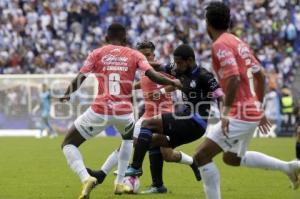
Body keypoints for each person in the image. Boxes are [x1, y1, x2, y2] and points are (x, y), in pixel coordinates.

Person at [59, 23, 181, 199]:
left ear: (106, 38)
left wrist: (67, 94)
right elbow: (153, 75)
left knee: (68, 143)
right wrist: (173, 82)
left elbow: (81, 77)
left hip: (100, 110)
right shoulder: (134, 54)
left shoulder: (97, 53)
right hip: (124, 112)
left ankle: (86, 179)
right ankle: (119, 182)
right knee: (128, 139)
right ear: (125, 40)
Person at [193, 2, 300, 199]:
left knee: (201, 156)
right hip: (248, 111)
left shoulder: (220, 44)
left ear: (207, 23)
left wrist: (225, 113)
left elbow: (233, 77)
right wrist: (257, 107)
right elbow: (260, 76)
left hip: (239, 113)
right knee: (232, 158)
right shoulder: (238, 42)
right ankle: (289, 167)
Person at [87, 41, 201, 194]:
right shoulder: (141, 68)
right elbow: (146, 81)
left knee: (167, 155)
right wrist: (133, 87)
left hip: (164, 113)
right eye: (142, 54)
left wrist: (160, 92)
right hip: (147, 115)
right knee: (128, 143)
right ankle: (103, 174)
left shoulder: (164, 68)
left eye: (148, 54)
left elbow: (178, 83)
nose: (145, 57)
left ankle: (191, 162)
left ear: (154, 54)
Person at [125, 44, 224, 182]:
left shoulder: (204, 76)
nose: (176, 66)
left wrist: (225, 119)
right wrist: (137, 62)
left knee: (148, 124)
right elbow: (159, 67)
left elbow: (220, 96)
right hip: (189, 123)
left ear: (189, 60)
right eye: (175, 62)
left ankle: (135, 167)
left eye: (179, 63)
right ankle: (158, 185)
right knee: (152, 141)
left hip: (195, 121)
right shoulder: (179, 69)